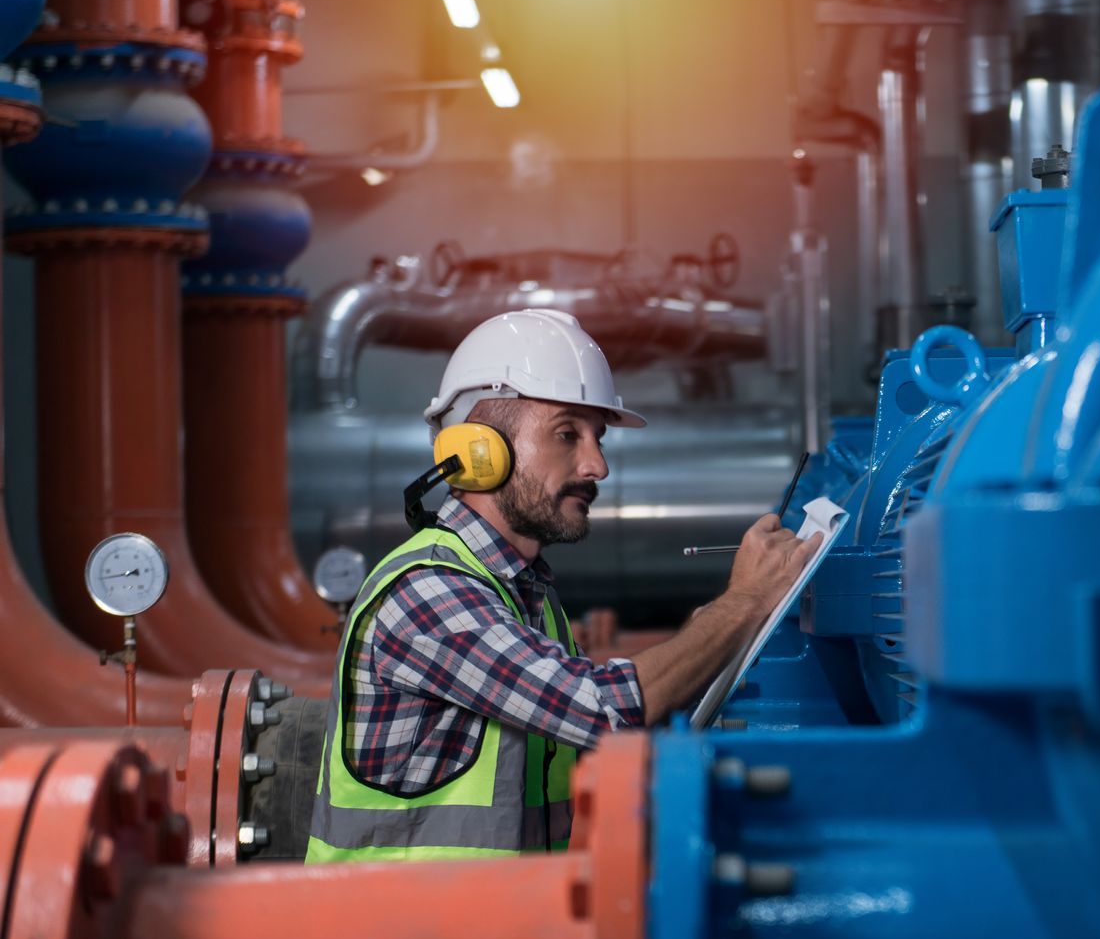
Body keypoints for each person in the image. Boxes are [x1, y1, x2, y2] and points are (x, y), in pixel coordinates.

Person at [306, 308, 818, 862]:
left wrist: (705, 639)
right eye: (567, 434)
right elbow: (600, 711)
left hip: (486, 930)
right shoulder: (430, 590)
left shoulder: (525, 591)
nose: (597, 465)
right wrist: (744, 602)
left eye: (597, 438)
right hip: (399, 938)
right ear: (478, 453)